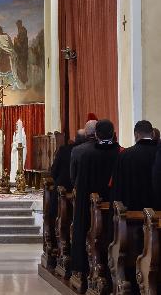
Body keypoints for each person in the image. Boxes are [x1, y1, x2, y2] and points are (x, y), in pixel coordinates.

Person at [70, 119, 119, 279]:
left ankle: (83, 266)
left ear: (96, 134)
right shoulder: (121, 153)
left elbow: (80, 185)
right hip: (116, 210)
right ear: (113, 133)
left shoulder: (87, 155)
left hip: (91, 210)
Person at [110, 120, 157, 212]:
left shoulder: (125, 155)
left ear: (136, 134)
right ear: (152, 134)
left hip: (132, 210)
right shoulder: (158, 153)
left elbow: (118, 187)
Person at [49, 130, 86, 219]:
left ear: (75, 138)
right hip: (83, 196)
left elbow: (54, 172)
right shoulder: (90, 151)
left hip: (64, 188)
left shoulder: (64, 150)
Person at [70, 120, 97, 186]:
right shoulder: (105, 148)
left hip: (82, 188)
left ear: (86, 133)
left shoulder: (77, 150)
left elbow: (73, 174)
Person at [10, 119, 27, 183]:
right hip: (15, 151)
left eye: (18, 125)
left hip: (19, 151)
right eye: (16, 125)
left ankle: (19, 179)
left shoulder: (22, 132)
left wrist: (14, 144)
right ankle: (13, 179)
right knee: (14, 164)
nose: (16, 126)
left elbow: (21, 142)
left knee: (18, 164)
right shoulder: (16, 132)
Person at [14, 20, 29, 85]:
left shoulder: (22, 30)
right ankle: (22, 83)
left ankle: (23, 83)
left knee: (22, 67)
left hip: (22, 53)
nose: (17, 26)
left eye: (18, 24)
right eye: (17, 25)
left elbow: (21, 43)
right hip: (21, 53)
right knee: (20, 67)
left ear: (20, 24)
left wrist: (16, 41)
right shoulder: (20, 31)